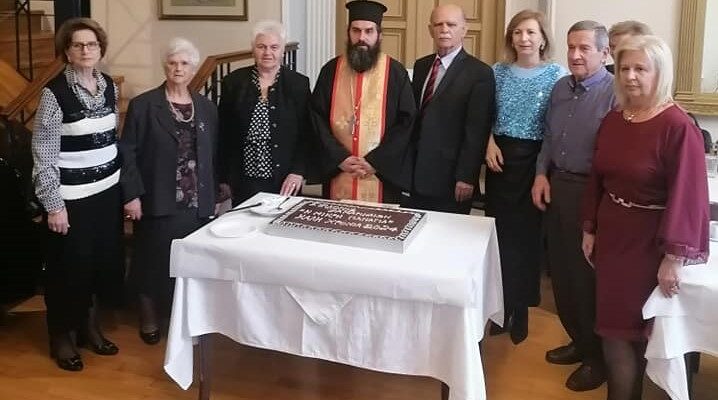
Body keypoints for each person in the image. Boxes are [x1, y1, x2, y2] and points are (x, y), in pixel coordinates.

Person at [581, 35, 709, 400]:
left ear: (660, 73)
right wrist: (590, 227)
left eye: (641, 68)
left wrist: (674, 257)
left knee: (640, 334)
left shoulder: (678, 126)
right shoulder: (613, 120)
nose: (630, 76)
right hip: (613, 237)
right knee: (612, 330)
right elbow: (598, 178)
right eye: (624, 68)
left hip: (650, 243)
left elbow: (689, 197)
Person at [32, 17, 124, 371]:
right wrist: (54, 206)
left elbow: (110, 139)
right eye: (78, 45)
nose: (86, 50)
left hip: (107, 195)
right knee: (68, 270)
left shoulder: (109, 86)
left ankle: (89, 328)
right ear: (67, 52)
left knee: (98, 266)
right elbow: (44, 156)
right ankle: (62, 338)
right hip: (71, 201)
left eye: (92, 44)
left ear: (101, 49)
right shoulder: (53, 94)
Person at [119, 38, 221, 345]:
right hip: (157, 199)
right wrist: (132, 195)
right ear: (165, 66)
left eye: (184, 64)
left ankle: (185, 317)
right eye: (173, 63)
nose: (178, 69)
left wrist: (215, 195)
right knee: (152, 261)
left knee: (190, 264)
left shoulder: (206, 107)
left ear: (193, 69)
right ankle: (149, 316)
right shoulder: (144, 105)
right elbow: (127, 153)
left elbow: (213, 153)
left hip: (196, 202)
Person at [531, 20, 613, 391]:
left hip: (593, 193)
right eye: (571, 47)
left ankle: (598, 358)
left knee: (586, 279)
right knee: (562, 273)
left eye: (585, 48)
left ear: (604, 53)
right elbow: (549, 137)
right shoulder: (561, 88)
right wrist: (540, 174)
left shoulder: (614, 93)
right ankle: (578, 341)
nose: (576, 55)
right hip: (558, 187)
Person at [484, 9, 565, 345]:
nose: (524, 38)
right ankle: (500, 308)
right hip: (500, 161)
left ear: (543, 38)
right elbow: (484, 115)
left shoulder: (557, 75)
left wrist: (543, 170)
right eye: (518, 32)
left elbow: (555, 127)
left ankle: (522, 309)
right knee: (499, 236)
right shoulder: (497, 72)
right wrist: (488, 144)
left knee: (527, 239)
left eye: (531, 32)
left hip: (535, 162)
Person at [310, 0, 416, 203]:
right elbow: (317, 118)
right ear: (348, 33)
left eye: (369, 31)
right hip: (339, 171)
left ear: (379, 35)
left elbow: (406, 123)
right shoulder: (330, 70)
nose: (362, 38)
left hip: (381, 175)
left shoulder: (395, 73)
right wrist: (339, 158)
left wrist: (377, 161)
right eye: (356, 31)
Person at [402, 4, 495, 214]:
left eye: (451, 25)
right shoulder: (421, 66)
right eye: (438, 24)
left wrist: (467, 176)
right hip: (417, 174)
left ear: (464, 30)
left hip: (452, 179)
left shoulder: (479, 73)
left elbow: (477, 131)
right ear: (430, 30)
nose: (444, 30)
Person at [218, 20, 314, 205]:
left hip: (285, 180)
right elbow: (224, 134)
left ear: (282, 50)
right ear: (253, 49)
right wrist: (224, 177)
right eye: (261, 46)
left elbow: (307, 134)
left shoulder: (298, 84)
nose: (267, 52)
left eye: (274, 47)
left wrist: (298, 171)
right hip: (244, 179)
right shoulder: (234, 82)